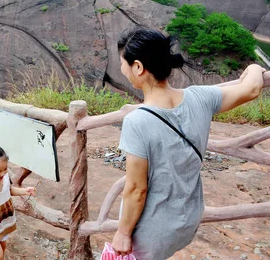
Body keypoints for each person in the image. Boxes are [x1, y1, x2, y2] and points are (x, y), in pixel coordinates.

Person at [112, 27, 265, 259]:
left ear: (138, 67)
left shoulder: (137, 121)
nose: (121, 68)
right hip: (187, 222)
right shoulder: (200, 97)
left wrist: (123, 233)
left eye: (123, 62)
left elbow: (136, 189)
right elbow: (251, 89)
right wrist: (254, 67)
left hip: (152, 231)